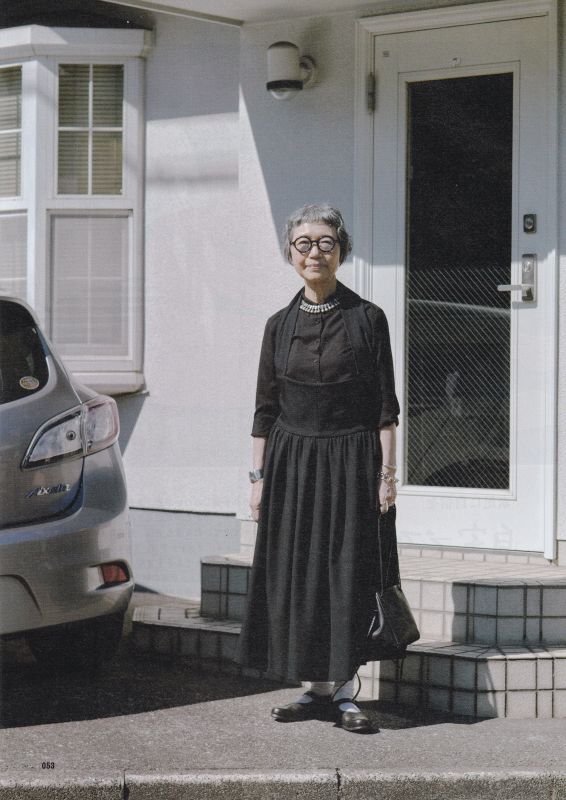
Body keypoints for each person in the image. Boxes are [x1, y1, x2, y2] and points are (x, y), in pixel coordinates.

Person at [235, 203, 400, 733]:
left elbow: (385, 408)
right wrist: (258, 480)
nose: (314, 252)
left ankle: (346, 692)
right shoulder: (278, 326)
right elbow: (264, 409)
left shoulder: (368, 318)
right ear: (290, 253)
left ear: (342, 252)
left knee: (346, 571)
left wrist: (387, 476)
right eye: (304, 243)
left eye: (326, 243)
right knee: (300, 573)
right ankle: (315, 689)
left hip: (352, 460)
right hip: (292, 463)